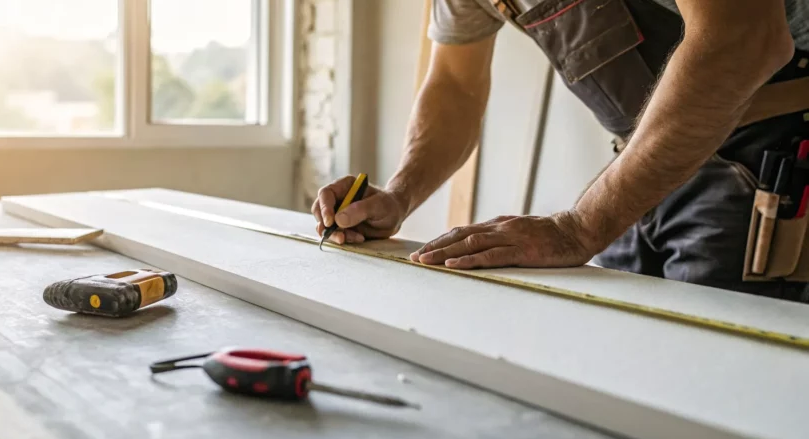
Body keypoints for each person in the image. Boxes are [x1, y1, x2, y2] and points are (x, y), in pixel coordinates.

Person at [312, 0, 809, 301]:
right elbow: (454, 89)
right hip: (640, 172)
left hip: (769, 156)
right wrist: (399, 195)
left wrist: (578, 227)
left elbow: (744, 41)